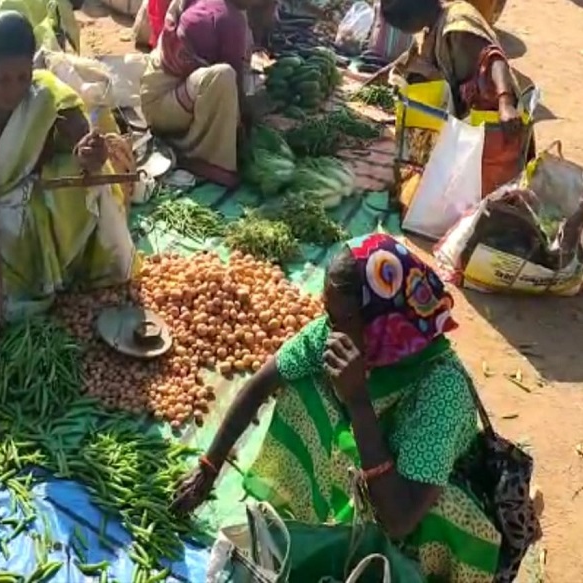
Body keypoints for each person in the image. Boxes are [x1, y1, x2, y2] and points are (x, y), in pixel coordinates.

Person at [171, 234, 510, 582]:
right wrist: (208, 469)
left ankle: (390, 564)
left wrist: (358, 400)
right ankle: (323, 521)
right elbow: (262, 383)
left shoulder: (442, 390)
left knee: (426, 517)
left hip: (417, 515)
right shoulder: (337, 334)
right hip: (373, 474)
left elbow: (398, 518)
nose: (329, 328)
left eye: (341, 317)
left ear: (383, 319)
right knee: (306, 386)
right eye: (327, 313)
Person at [0, 11, 135, 341]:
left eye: (23, 78)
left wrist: (89, 154)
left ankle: (70, 272)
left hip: (28, 191)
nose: (14, 91)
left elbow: (82, 141)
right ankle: (18, 289)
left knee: (87, 183)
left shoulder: (45, 94)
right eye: (2, 80)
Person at [380, 0, 533, 203]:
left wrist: (505, 103)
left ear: (414, 14)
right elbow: (416, 63)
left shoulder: (457, 25)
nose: (403, 30)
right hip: (470, 114)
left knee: (493, 186)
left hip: (495, 114)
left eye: (402, 24)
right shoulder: (433, 27)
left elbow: (494, 58)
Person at [139, 0, 253, 187]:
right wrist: (245, 123)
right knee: (223, 77)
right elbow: (235, 88)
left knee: (223, 80)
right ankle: (199, 156)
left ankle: (184, 137)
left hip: (153, 94)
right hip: (161, 108)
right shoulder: (230, 19)